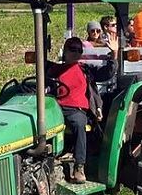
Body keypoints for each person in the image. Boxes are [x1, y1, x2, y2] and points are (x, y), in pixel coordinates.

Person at [46, 36, 118, 183]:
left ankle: (79, 167)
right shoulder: (54, 69)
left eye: (79, 50)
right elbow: (40, 65)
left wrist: (114, 54)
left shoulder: (85, 70)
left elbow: (107, 73)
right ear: (65, 51)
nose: (75, 53)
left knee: (79, 124)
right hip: (55, 108)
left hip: (76, 110)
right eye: (72, 49)